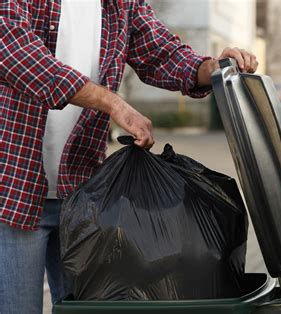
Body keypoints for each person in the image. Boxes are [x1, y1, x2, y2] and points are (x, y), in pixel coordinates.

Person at [0, 1, 258, 313]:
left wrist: (209, 68)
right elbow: (15, 52)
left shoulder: (121, 4)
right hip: (14, 191)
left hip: (82, 195)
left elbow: (159, 51)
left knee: (90, 309)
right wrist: (113, 103)